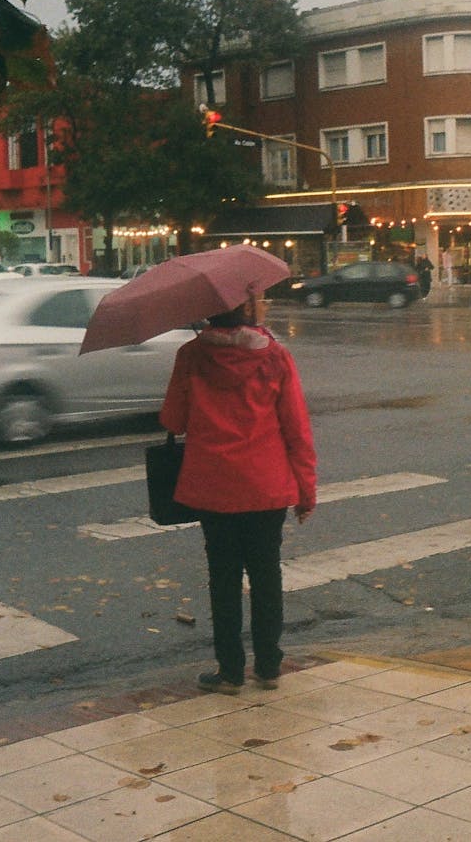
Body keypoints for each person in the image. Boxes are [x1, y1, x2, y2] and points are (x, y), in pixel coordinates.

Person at [160, 290, 316, 695]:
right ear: (246, 310)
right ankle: (268, 666)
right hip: (266, 487)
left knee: (223, 579)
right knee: (267, 576)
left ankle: (230, 671)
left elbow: (173, 419)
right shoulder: (275, 356)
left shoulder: (191, 355)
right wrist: (306, 492)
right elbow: (296, 428)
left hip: (214, 488)